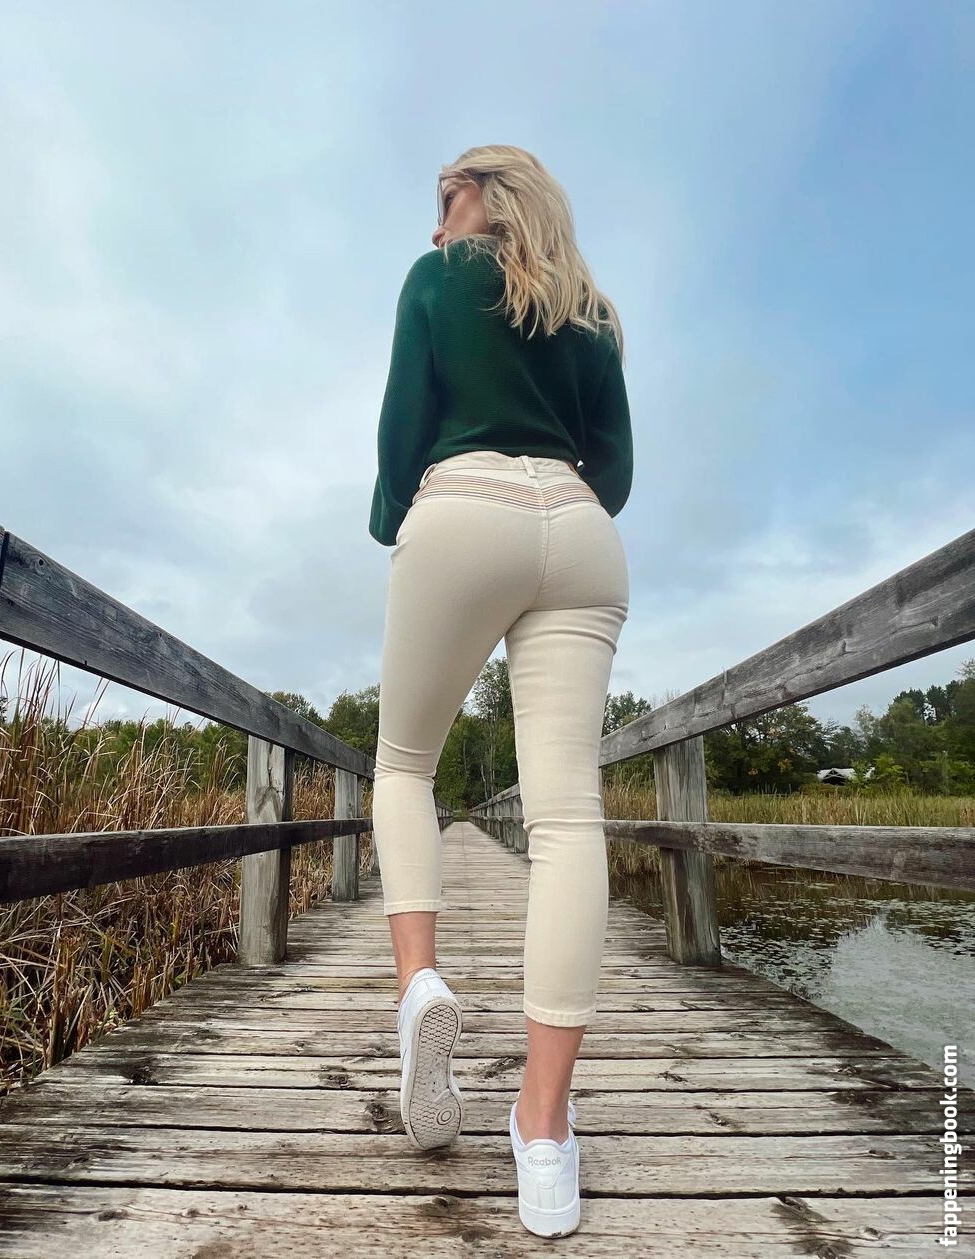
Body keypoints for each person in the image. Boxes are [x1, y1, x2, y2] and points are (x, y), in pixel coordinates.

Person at [368, 144, 632, 1240]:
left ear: (495, 193)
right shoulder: (593, 311)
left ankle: (420, 985)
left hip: (463, 504)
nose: (436, 225)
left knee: (403, 766)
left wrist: (398, 523)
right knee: (568, 815)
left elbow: (400, 440)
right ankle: (545, 1133)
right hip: (580, 527)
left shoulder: (437, 280)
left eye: (449, 197)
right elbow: (617, 469)